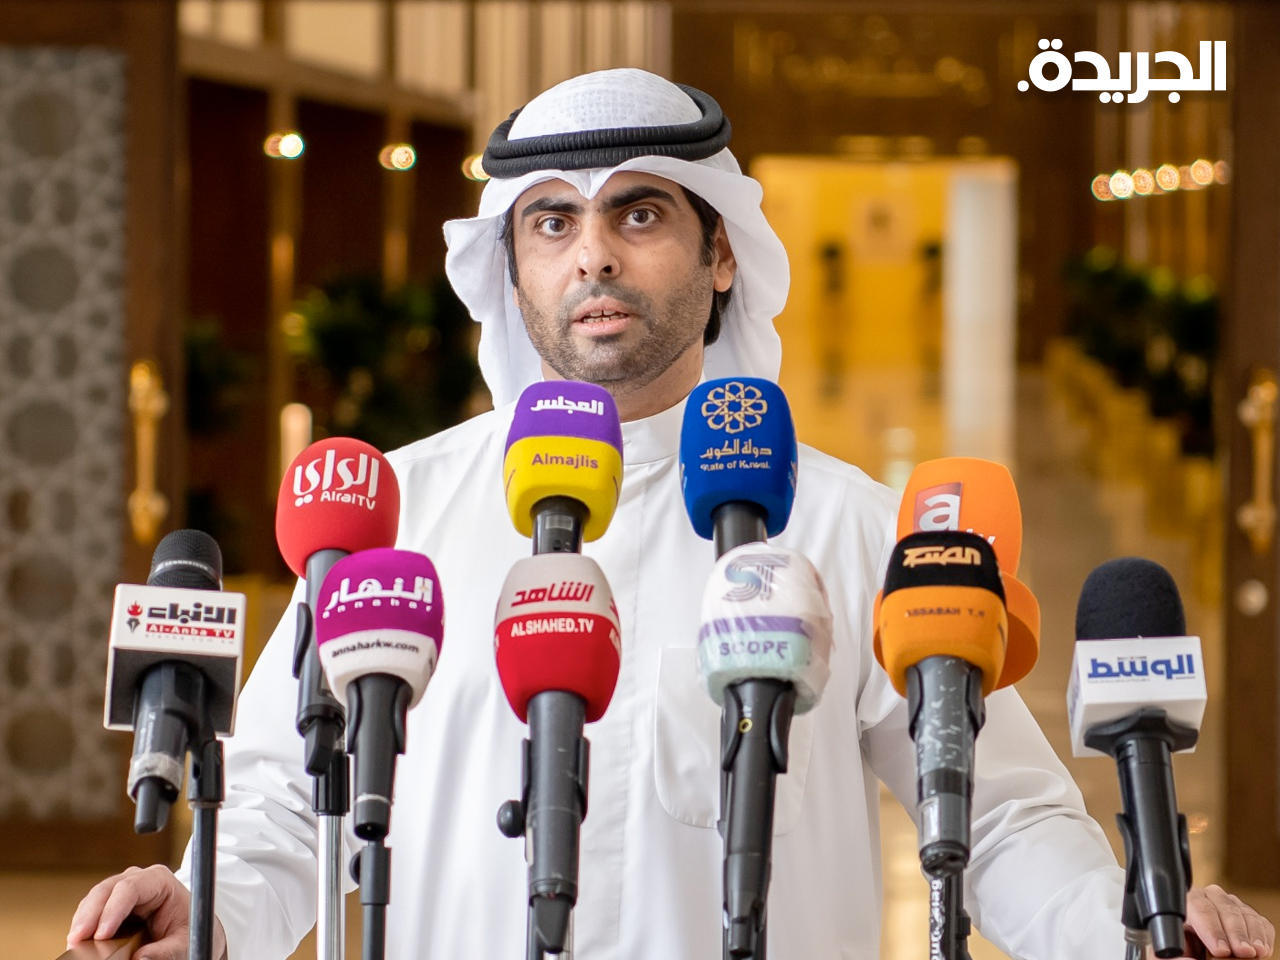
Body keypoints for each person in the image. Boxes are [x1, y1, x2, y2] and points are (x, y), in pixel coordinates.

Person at [69, 68, 1273, 960]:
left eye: (637, 214)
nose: (591, 255)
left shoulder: (850, 526)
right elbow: (283, 804)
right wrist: (204, 911)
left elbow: (999, 817)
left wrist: (1132, 931)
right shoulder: (396, 514)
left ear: (720, 254)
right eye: (552, 221)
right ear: (511, 270)